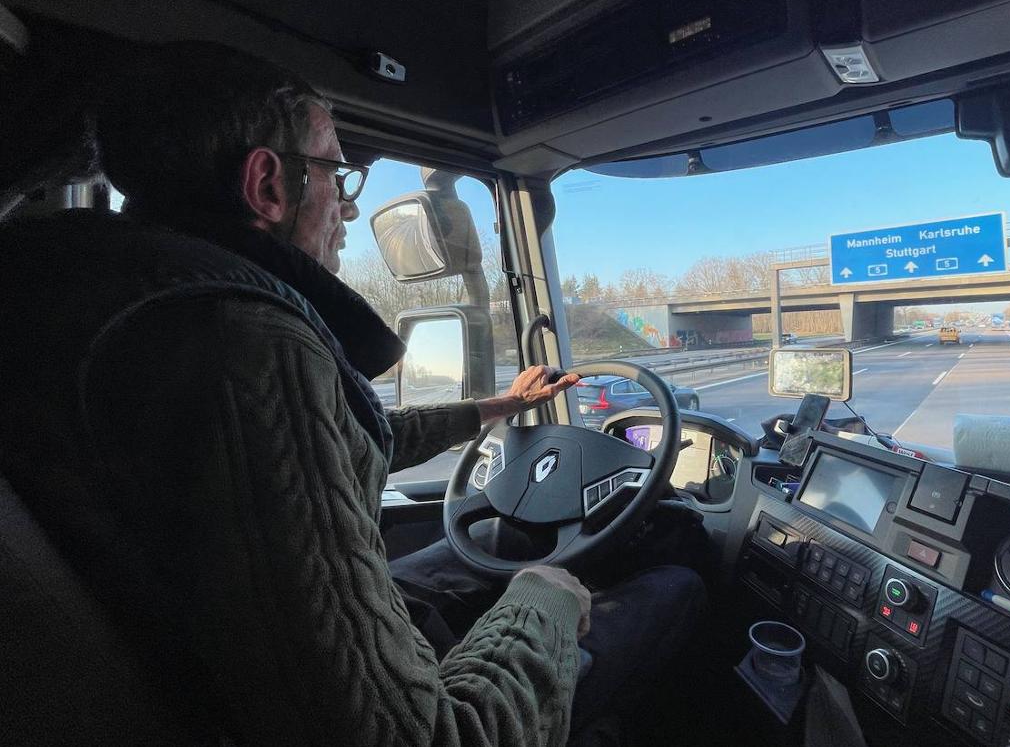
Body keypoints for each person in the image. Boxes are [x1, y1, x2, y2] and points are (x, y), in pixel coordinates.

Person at [0, 42, 703, 746]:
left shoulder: (104, 296)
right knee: (674, 585)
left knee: (478, 553)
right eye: (337, 174)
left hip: (203, 671)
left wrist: (493, 411)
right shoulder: (239, 340)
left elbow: (317, 447)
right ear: (269, 183)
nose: (346, 207)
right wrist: (543, 599)